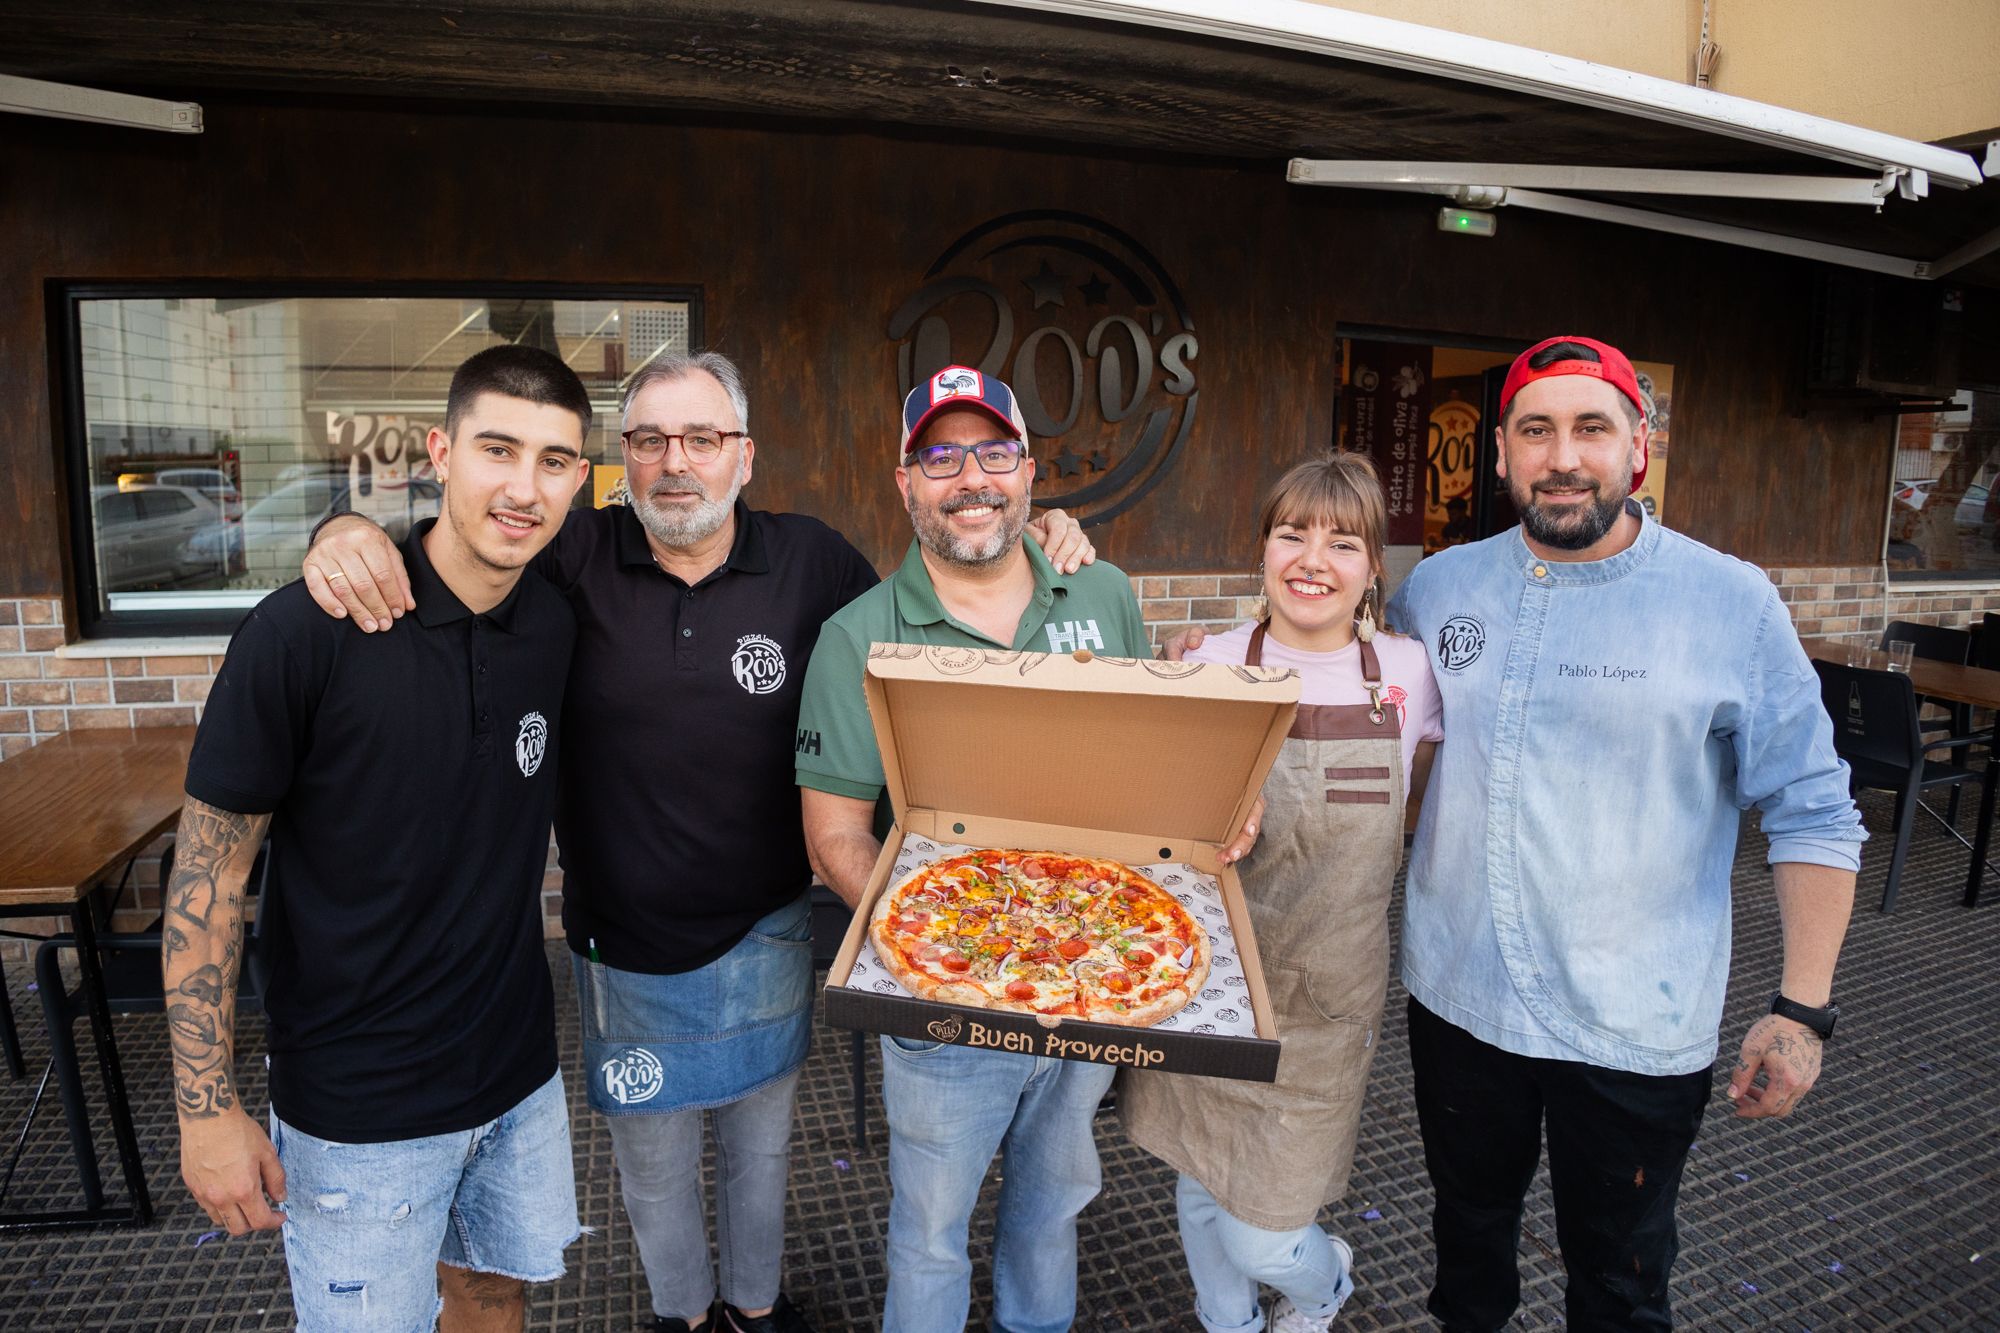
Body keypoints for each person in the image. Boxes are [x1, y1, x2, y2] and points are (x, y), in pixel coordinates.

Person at [300, 352, 1095, 1333]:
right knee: (653, 1164)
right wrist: (343, 531)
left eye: (703, 439)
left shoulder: (812, 563)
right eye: (649, 441)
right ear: (622, 460)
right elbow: (460, 555)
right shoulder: (571, 558)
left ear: (744, 455)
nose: (676, 462)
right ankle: (681, 1317)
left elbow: (936, 578)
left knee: (761, 1153)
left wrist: (1055, 531)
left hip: (763, 929)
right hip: (618, 941)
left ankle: (756, 1309)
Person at [1385, 335, 1864, 1331]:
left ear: (1635, 447)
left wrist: (1801, 1009)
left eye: (1589, 428)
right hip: (1460, 999)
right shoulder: (1435, 591)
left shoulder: (1728, 601)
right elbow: (1379, 744)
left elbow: (1812, 804)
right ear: (1504, 456)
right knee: (1466, 1245)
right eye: (1536, 430)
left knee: (1617, 1282)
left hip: (1634, 1026)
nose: (1563, 456)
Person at [166, 345, 593, 1332]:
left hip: (516, 1071)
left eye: (554, 460)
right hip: (357, 1107)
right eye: (496, 448)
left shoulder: (556, 622)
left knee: (492, 1293)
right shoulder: (303, 633)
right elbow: (207, 874)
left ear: (578, 477)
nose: (522, 487)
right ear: (439, 453)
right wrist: (203, 1109)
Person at [796, 364, 1205, 1333]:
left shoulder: (1101, 594)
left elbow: (1144, 778)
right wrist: (949, 953)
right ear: (904, 482)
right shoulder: (856, 636)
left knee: (1051, 1206)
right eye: (939, 455)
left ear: (1028, 471)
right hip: (941, 1004)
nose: (967, 477)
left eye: (990, 451)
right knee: (931, 1228)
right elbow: (834, 835)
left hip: (1101, 974)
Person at [1123, 453, 1442, 1333]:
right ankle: (1231, 1325)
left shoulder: (1411, 675)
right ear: (1262, 548)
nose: (1313, 558)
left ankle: (1322, 1285)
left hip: (1323, 1000)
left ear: (1375, 566)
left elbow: (1435, 791)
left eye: (1343, 542)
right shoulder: (1209, 662)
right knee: (1199, 1185)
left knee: (1266, 1231)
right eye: (1291, 533)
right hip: (1210, 986)